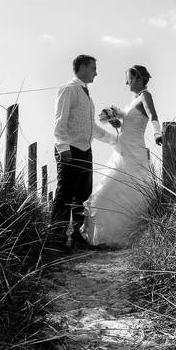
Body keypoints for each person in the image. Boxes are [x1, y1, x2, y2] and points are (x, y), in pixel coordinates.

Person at [81, 65, 163, 248]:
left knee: (129, 190)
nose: (127, 82)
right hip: (122, 149)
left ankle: (131, 234)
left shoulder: (145, 96)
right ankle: (107, 237)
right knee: (110, 190)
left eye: (130, 79)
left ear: (139, 78)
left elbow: (152, 115)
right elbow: (124, 126)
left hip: (134, 151)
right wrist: (114, 121)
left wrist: (157, 133)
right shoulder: (133, 100)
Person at [50, 54, 117, 251]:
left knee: (83, 197)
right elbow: (60, 121)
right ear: (82, 68)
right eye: (93, 68)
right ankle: (55, 241)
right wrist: (63, 147)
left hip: (86, 151)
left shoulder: (87, 95)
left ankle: (79, 240)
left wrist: (115, 140)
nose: (96, 72)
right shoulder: (68, 89)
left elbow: (92, 129)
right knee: (65, 196)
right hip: (70, 150)